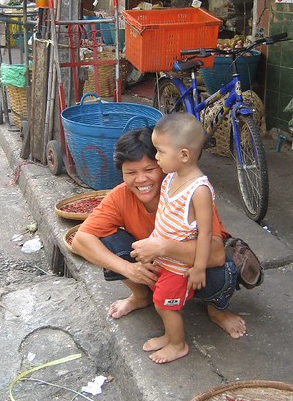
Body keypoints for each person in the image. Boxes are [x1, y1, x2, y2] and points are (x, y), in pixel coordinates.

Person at [71, 125, 245, 349]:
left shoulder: (190, 192)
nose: (141, 180)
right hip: (160, 270)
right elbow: (80, 240)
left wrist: (165, 247)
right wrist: (128, 269)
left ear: (164, 164)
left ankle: (216, 309)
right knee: (107, 241)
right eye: (131, 173)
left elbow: (216, 255)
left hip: (192, 269)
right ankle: (141, 296)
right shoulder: (120, 196)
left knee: (224, 270)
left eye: (149, 169)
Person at [139, 113, 238, 363]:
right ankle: (169, 335)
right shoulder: (170, 178)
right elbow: (162, 218)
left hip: (180, 266)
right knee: (160, 299)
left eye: (160, 151)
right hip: (164, 259)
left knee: (164, 304)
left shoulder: (199, 190)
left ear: (184, 155)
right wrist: (153, 247)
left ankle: (178, 344)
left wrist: (198, 268)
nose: (156, 157)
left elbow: (205, 233)